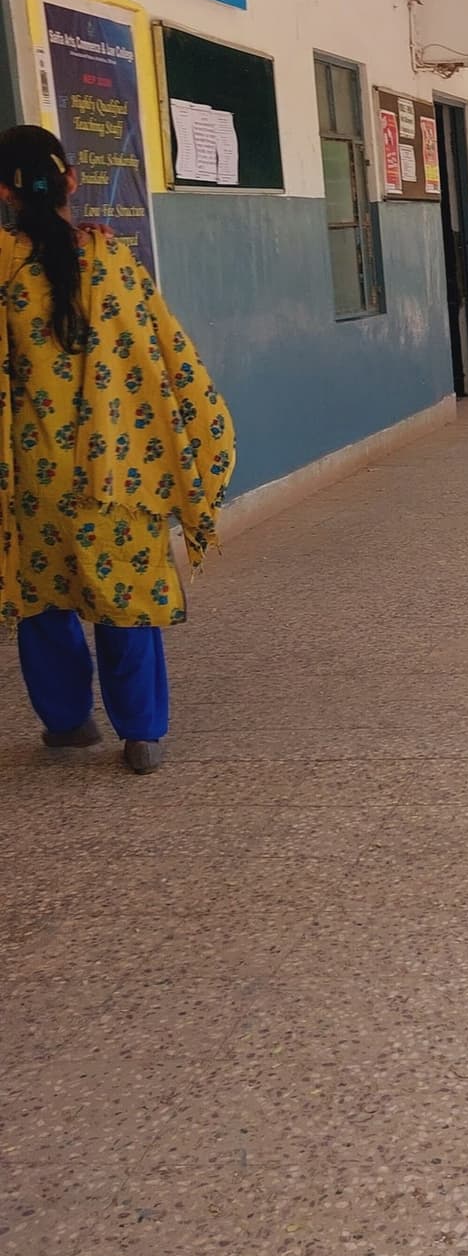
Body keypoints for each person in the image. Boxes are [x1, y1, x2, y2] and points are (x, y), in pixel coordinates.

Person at [0, 125, 233, 773]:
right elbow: (171, 358)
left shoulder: (4, 268)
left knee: (42, 599)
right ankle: (141, 733)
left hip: (34, 476)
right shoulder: (115, 264)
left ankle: (68, 722)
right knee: (125, 596)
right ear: (72, 181)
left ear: (5, 194)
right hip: (118, 473)